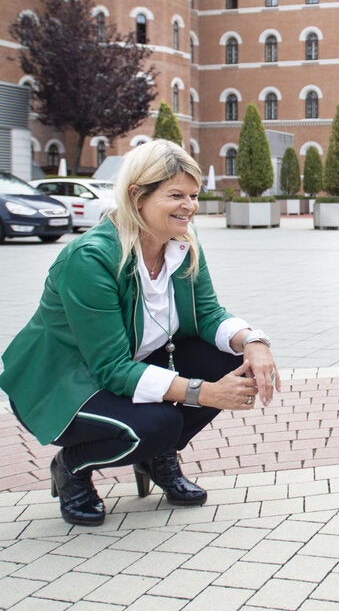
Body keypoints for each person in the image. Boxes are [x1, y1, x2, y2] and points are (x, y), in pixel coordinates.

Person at [0, 140, 281, 525]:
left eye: (194, 195)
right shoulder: (91, 258)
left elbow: (208, 314)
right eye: (176, 195)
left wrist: (254, 341)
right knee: (160, 423)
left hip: (126, 366)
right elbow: (111, 368)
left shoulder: (182, 242)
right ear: (137, 195)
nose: (190, 206)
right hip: (65, 384)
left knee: (232, 359)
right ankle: (73, 467)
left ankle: (155, 456)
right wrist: (205, 393)